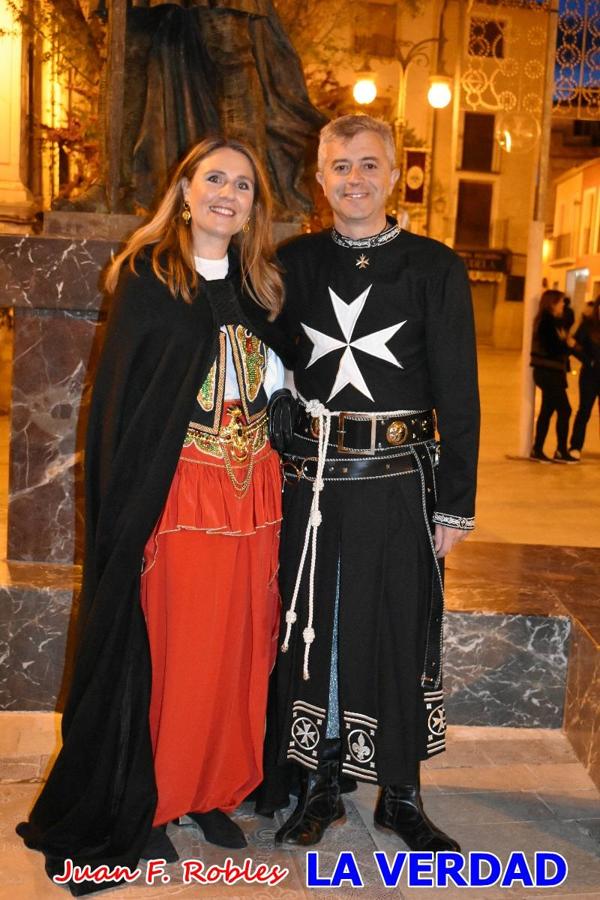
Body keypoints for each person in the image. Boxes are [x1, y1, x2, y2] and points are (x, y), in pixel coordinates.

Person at [17, 136, 294, 895]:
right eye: (214, 179)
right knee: (176, 646)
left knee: (239, 644)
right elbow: (127, 407)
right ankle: (155, 797)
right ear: (184, 188)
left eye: (242, 185)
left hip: (255, 492)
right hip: (180, 495)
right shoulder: (147, 277)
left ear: (253, 206)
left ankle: (210, 791)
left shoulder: (262, 283)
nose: (227, 194)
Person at [262, 114, 480, 852]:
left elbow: (461, 392)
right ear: (319, 178)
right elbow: (266, 360)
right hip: (315, 484)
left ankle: (402, 793)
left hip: (401, 484)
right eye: (339, 167)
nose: (353, 179)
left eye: (367, 165)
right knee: (317, 630)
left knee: (397, 627)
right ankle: (321, 781)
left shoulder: (435, 267)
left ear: (394, 175)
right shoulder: (292, 263)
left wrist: (456, 501)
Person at [529, 289, 578, 463]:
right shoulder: (546, 323)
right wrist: (568, 345)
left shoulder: (557, 322)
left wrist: (567, 343)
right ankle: (561, 450)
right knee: (565, 409)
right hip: (547, 373)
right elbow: (553, 349)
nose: (563, 305)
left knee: (547, 410)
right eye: (561, 302)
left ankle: (538, 449)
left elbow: (569, 319)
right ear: (551, 304)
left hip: (554, 373)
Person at [569, 296, 600, 459]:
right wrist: (590, 361)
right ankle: (575, 446)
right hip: (590, 376)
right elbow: (574, 346)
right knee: (584, 411)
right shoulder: (588, 325)